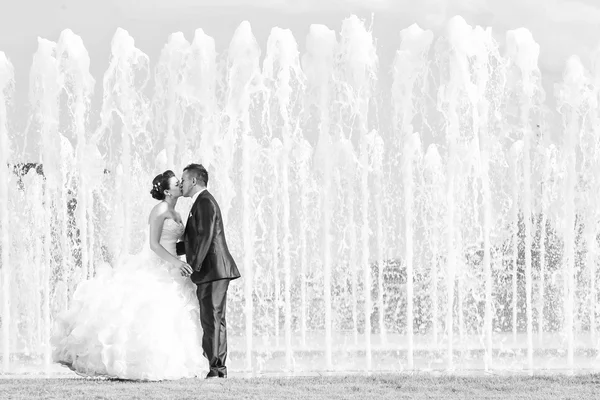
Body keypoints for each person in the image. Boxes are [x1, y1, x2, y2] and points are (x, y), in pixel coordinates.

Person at [51, 170, 203, 381]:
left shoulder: (176, 212)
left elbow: (174, 245)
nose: (181, 184)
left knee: (179, 312)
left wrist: (186, 256)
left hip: (172, 266)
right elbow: (154, 244)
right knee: (150, 310)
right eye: (177, 183)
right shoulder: (159, 209)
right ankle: (135, 361)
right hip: (158, 265)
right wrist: (176, 261)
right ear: (167, 191)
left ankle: (177, 361)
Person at [177, 163, 240, 379]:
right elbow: (194, 240)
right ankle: (214, 366)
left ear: (194, 181)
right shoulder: (200, 203)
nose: (180, 184)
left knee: (213, 318)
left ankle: (218, 370)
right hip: (211, 270)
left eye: (183, 180)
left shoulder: (205, 202)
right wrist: (166, 248)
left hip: (213, 270)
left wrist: (193, 266)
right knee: (210, 319)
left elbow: (205, 237)